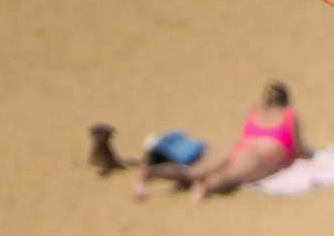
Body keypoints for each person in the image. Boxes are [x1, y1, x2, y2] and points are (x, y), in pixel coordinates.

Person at [131, 82, 311, 202]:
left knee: (191, 172)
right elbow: (297, 149)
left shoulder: (255, 111)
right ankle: (204, 189)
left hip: (237, 146)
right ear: (286, 101)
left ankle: (147, 175)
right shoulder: (289, 115)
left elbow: (243, 134)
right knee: (232, 176)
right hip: (262, 153)